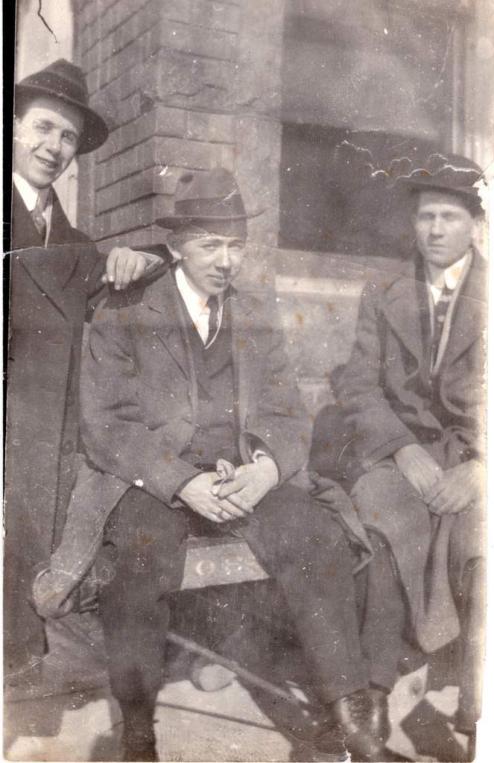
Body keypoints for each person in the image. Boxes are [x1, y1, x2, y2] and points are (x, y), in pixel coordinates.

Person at [36, 168, 408, 761]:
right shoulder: (128, 308)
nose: (226, 259)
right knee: (139, 552)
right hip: (153, 481)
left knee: (316, 535)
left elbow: (289, 412)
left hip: (242, 478)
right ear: (178, 246)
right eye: (211, 244)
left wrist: (266, 468)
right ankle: (138, 729)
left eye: (236, 244)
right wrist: (183, 481)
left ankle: (350, 719)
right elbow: (105, 424)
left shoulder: (254, 311)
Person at [4, 58, 165, 685]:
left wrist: (138, 256)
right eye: (43, 128)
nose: (54, 147)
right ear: (13, 130)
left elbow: (132, 271)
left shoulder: (70, 240)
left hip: (53, 434)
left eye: (68, 137)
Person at [339, 153, 486, 742]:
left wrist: (482, 468)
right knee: (383, 524)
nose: (435, 230)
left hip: (476, 458)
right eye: (426, 217)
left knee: (480, 545)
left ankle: (477, 706)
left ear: (476, 223)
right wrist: (401, 449)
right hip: (394, 450)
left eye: (450, 216)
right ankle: (376, 692)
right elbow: (357, 383)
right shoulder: (385, 289)